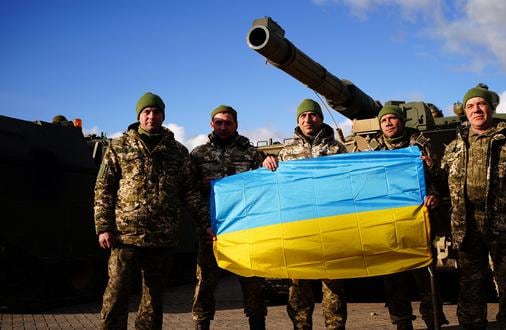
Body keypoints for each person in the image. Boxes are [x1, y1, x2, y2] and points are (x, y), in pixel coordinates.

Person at [94, 92, 203, 329]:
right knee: (116, 295)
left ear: (163, 116)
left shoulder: (177, 151)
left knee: (153, 301)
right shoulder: (118, 147)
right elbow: (104, 189)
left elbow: (190, 192)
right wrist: (103, 227)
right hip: (125, 236)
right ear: (139, 116)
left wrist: (206, 222)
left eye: (156, 112)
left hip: (161, 238)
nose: (151, 116)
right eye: (146, 112)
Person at [441, 86, 506, 329]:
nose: (476, 109)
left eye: (481, 104)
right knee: (470, 286)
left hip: (504, 224)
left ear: (491, 107)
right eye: (470, 106)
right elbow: (440, 180)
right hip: (467, 225)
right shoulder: (455, 146)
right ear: (465, 112)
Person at [262, 98, 348, 330]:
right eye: (303, 116)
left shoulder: (337, 149)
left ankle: (335, 326)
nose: (308, 119)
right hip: (299, 229)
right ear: (298, 121)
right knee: (298, 287)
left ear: (320, 118)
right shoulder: (286, 153)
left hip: (331, 226)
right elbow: (274, 187)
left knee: (333, 287)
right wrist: (267, 163)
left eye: (313, 115)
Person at [365, 104, 448, 330]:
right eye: (384, 120)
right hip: (388, 222)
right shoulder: (373, 150)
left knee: (425, 275)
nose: (389, 123)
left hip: (417, 221)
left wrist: (433, 194)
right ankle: (401, 322)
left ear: (402, 121)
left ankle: (434, 320)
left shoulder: (420, 144)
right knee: (393, 278)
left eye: (393, 119)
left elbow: (438, 180)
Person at [190, 105, 267, 330]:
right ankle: (201, 325)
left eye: (228, 122)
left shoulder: (252, 154)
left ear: (236, 124)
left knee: (253, 283)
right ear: (211, 124)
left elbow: (265, 186)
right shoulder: (198, 154)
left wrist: (270, 162)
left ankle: (257, 323)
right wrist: (204, 220)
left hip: (245, 230)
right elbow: (188, 190)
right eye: (219, 122)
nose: (223, 126)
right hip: (211, 231)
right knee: (205, 284)